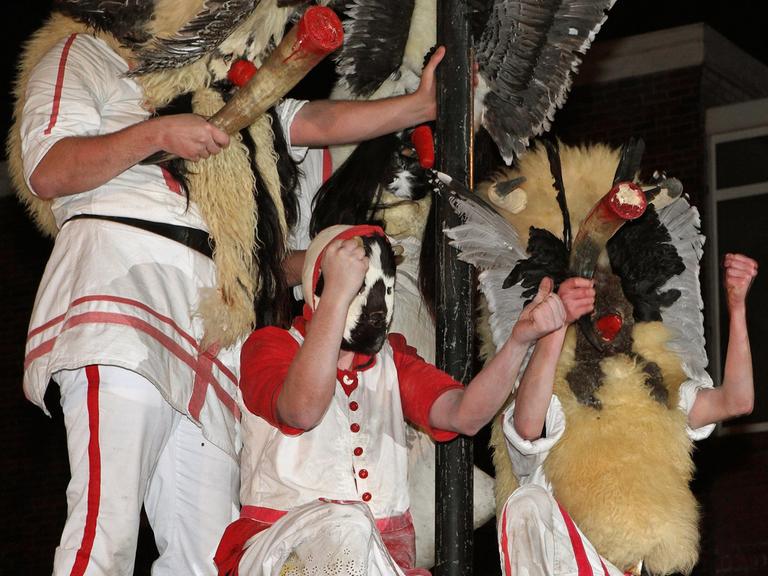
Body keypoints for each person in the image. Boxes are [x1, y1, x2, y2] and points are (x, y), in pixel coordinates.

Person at [16, 13, 447, 575]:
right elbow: (47, 171)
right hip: (126, 296)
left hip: (217, 332)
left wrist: (417, 107)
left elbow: (310, 119)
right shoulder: (90, 56)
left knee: (205, 555)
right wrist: (159, 134)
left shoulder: (229, 83)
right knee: (107, 527)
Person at [214, 224, 567, 575]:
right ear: (318, 293)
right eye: (361, 288)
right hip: (279, 550)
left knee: (356, 527)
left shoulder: (393, 362)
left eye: (387, 289)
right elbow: (302, 411)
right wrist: (338, 296)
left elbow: (466, 415)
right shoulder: (272, 346)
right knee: (347, 522)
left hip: (378, 560)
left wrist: (520, 341)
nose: (378, 305)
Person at [497, 253, 758, 576]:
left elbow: (737, 401)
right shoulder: (550, 384)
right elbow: (526, 427)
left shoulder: (655, 391)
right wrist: (557, 325)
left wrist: (737, 307)